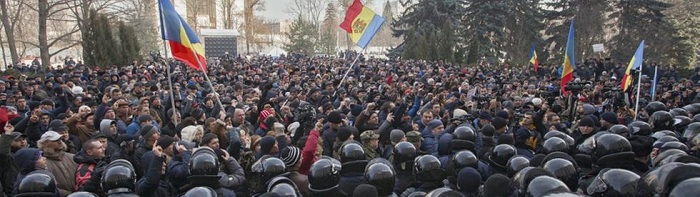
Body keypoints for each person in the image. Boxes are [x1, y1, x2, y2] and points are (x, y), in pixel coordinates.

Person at [38, 131, 78, 196]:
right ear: (44, 143)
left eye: (60, 139)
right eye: (55, 140)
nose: (60, 142)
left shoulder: (73, 157)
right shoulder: (42, 162)